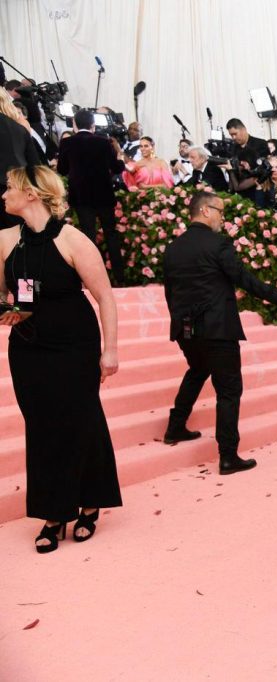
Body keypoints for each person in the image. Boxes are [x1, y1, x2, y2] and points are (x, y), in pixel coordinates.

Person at [0, 165, 122, 552]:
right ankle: (53, 513)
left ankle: (89, 503)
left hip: (75, 346)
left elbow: (105, 297)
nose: (3, 195)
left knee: (81, 422)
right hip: (28, 347)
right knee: (42, 426)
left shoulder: (73, 239)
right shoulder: (4, 239)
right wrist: (8, 309)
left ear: (32, 194)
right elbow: (4, 294)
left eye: (9, 188)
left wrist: (110, 350)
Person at [162, 191, 277, 474]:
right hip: (218, 330)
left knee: (197, 370)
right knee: (229, 391)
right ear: (205, 211)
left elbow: (171, 293)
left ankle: (175, 427)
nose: (222, 217)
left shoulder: (173, 248)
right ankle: (228, 456)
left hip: (186, 330)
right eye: (219, 211)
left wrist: (181, 325)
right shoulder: (218, 245)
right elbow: (246, 280)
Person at [56, 109, 127, 285]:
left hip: (81, 197)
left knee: (88, 236)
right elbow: (117, 168)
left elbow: (62, 169)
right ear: (93, 125)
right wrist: (120, 161)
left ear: (74, 124)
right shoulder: (103, 142)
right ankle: (120, 278)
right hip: (103, 195)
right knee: (111, 234)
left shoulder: (67, 143)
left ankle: (91, 280)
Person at [1, 90, 43, 228]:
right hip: (19, 190)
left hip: (11, 189)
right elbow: (35, 165)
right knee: (17, 236)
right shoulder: (20, 128)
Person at [226, 118, 270, 202]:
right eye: (231, 135)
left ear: (243, 129)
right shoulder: (233, 148)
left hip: (257, 188)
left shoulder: (260, 144)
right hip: (239, 190)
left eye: (235, 134)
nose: (233, 137)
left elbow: (264, 167)